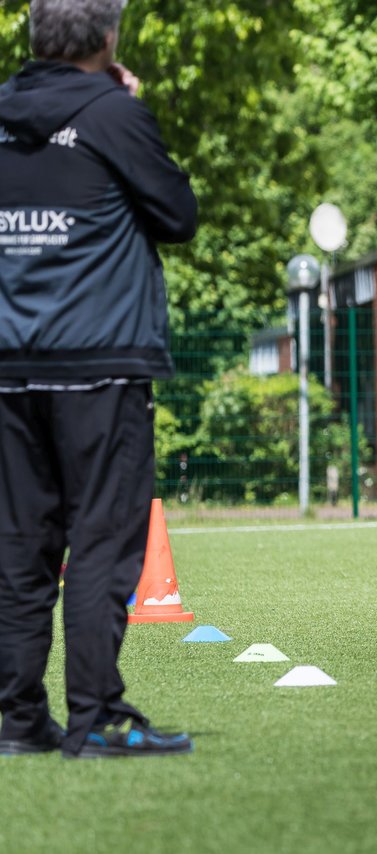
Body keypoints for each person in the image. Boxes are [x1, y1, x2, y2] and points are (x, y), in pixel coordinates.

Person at [0, 0, 198, 757]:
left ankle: (21, 724)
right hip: (101, 362)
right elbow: (177, 214)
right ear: (108, 38)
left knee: (20, 550)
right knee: (103, 543)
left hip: (10, 366)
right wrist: (129, 105)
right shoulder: (113, 112)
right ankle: (95, 719)